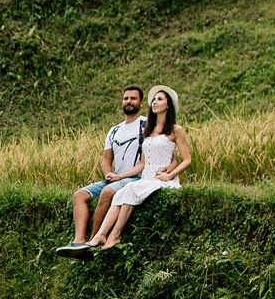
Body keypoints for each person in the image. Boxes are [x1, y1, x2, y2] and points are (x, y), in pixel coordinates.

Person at [91, 84, 188, 249]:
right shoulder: (148, 130)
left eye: (159, 99)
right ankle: (101, 235)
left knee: (130, 190)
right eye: (153, 100)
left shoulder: (175, 130)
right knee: (119, 195)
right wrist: (120, 176)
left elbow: (186, 160)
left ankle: (114, 236)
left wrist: (170, 175)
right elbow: (142, 163)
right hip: (146, 177)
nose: (154, 102)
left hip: (161, 179)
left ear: (168, 105)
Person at [55, 85, 147, 258]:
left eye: (133, 98)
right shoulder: (115, 130)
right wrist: (108, 174)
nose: (129, 101)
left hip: (135, 177)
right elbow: (106, 159)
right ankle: (78, 241)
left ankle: (92, 240)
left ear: (141, 102)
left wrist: (120, 176)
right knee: (79, 195)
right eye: (126, 98)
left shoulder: (146, 125)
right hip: (115, 177)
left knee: (107, 192)